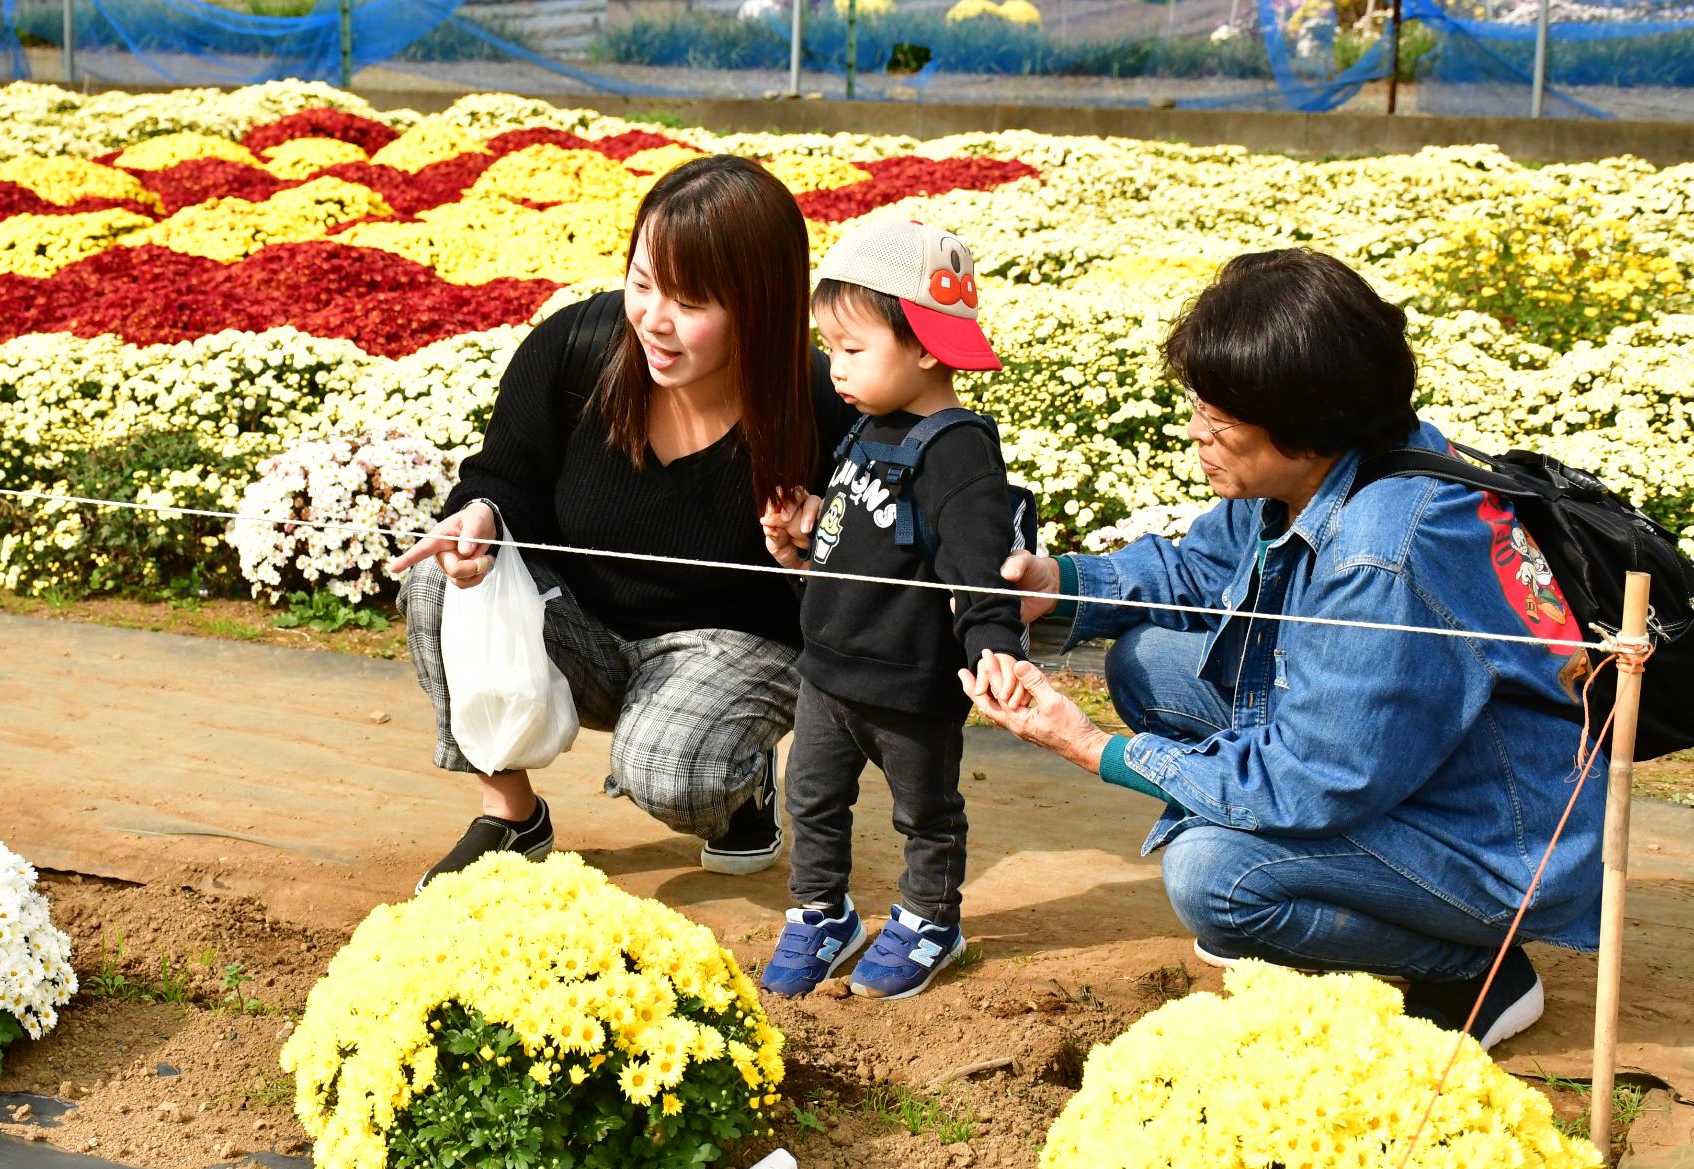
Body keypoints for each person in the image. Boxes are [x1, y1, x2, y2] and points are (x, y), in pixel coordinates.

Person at [963, 248, 1604, 1050]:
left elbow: (1312, 779)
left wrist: (1095, 748)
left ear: (1307, 429)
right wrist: (1058, 582)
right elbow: (1202, 564)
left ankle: (1475, 965)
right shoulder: (1344, 458)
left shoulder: (1384, 552)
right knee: (1148, 662)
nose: (1197, 433)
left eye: (1221, 422)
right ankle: (1341, 895)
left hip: (1495, 837)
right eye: (1199, 406)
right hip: (1420, 761)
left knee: (1215, 878)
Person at [389, 155, 855, 890]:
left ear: (760, 306)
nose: (654, 320)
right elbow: (503, 478)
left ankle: (739, 782)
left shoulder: (823, 407)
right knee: (441, 583)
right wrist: (479, 514)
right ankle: (511, 816)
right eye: (642, 284)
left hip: (732, 643)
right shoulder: (577, 350)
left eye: (690, 303)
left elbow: (858, 594)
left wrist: (820, 544)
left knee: (671, 771)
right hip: (585, 627)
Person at [756, 218, 1025, 1000]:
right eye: (830, 347)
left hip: (911, 685)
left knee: (927, 810)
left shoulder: (958, 449)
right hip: (830, 671)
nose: (833, 366)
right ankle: (820, 912)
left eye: (851, 348)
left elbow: (982, 565)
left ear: (926, 345)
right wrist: (802, 533)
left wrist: (993, 645)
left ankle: (930, 917)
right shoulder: (867, 428)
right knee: (810, 796)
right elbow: (859, 534)